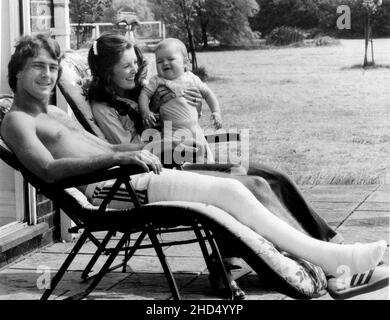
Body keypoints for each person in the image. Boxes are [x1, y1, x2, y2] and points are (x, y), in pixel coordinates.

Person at [1, 34, 388, 300]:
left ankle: (331, 259)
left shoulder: (54, 111)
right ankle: (338, 261)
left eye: (52, 67)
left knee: (235, 190)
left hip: (125, 177)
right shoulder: (18, 120)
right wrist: (119, 157)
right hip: (106, 191)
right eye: (38, 67)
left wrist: (149, 146)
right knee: (231, 191)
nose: (48, 74)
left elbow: (104, 145)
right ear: (17, 72)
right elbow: (50, 170)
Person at [138, 38, 222, 162]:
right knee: (180, 161)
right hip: (171, 133)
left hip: (194, 130)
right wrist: (146, 111)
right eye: (160, 61)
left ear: (185, 62)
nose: (165, 63)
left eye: (170, 59)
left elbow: (208, 94)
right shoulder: (157, 80)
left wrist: (216, 112)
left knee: (203, 160)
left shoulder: (192, 78)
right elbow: (144, 95)